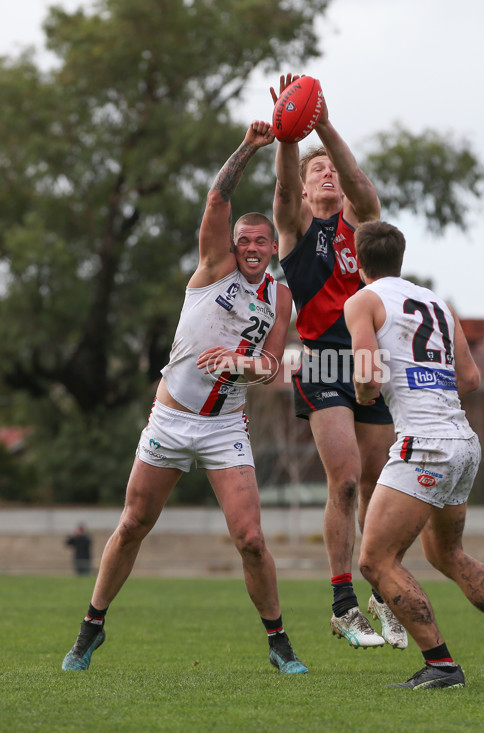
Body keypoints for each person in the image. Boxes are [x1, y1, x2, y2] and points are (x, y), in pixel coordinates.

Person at [62, 120, 307, 675]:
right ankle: (91, 628)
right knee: (132, 524)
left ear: (272, 248)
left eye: (258, 241)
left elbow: (270, 366)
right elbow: (219, 196)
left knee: (249, 539)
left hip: (225, 426)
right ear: (231, 245)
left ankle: (279, 643)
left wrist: (239, 363)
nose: (248, 247)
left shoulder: (280, 295)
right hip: (170, 419)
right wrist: (249, 147)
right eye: (241, 239)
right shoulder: (213, 265)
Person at [344, 219, 484, 689]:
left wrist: (364, 394)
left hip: (424, 444)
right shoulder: (438, 302)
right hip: (462, 441)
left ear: (359, 264)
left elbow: (366, 374)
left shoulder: (361, 300)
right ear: (401, 258)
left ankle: (441, 664)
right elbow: (472, 380)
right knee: (446, 553)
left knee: (375, 560)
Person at [270, 74, 407, 650]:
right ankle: (342, 603)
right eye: (316, 171)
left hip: (370, 364)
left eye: (331, 170)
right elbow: (280, 190)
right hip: (323, 363)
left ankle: (383, 592)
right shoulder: (296, 225)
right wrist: (286, 134)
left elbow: (362, 187)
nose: (328, 175)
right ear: (304, 192)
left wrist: (321, 119)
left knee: (378, 482)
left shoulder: (363, 225)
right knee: (346, 480)